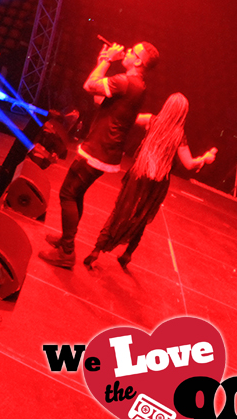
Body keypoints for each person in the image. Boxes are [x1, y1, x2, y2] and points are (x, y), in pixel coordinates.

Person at [40, 41, 159, 269]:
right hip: (106, 149)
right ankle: (66, 239)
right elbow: (98, 98)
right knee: (76, 193)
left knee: (67, 193)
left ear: (138, 61)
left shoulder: (125, 81)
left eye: (133, 51)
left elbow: (89, 86)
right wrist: (101, 62)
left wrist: (107, 61)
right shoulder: (137, 84)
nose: (127, 51)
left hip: (100, 148)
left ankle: (67, 252)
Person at [82, 94, 216, 269]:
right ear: (183, 114)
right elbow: (189, 164)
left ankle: (97, 250)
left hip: (139, 174)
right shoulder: (179, 136)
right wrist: (204, 158)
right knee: (142, 217)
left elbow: (128, 117)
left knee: (120, 211)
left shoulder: (151, 121)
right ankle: (128, 254)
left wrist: (110, 103)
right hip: (157, 182)